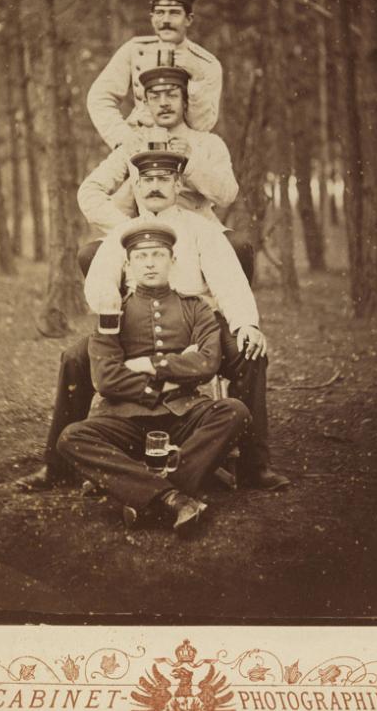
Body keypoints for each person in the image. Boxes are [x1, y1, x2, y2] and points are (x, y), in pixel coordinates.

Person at [18, 151, 289, 494]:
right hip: (135, 322)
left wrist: (246, 324)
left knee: (250, 352)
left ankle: (254, 464)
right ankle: (55, 465)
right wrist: (108, 301)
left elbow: (229, 282)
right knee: (74, 358)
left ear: (178, 184)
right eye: (147, 180)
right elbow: (100, 279)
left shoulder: (203, 230)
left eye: (163, 180)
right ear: (136, 185)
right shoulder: (124, 232)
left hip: (195, 319)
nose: (155, 187)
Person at [54, 223, 251, 535]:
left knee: (235, 411)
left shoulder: (196, 308)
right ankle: (174, 498)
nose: (149, 262)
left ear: (172, 261)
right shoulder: (112, 312)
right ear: (128, 265)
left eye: (158, 255)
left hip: (183, 413)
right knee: (70, 438)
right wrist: (170, 376)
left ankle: (141, 496)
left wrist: (150, 364)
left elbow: (207, 363)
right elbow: (105, 378)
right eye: (141, 256)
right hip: (126, 419)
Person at [78, 64, 253, 281]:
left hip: (200, 234)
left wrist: (192, 164)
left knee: (239, 247)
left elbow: (228, 194)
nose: (163, 103)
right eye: (154, 97)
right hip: (148, 236)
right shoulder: (134, 145)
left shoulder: (208, 143)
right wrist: (126, 226)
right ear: (146, 103)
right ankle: (122, 314)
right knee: (91, 255)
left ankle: (224, 315)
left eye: (172, 95)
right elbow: (89, 192)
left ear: (185, 100)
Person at [86, 0, 222, 150]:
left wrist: (196, 80)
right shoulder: (134, 50)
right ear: (151, 18)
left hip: (187, 150)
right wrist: (122, 138)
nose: (165, 20)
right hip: (140, 147)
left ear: (188, 19)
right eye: (159, 12)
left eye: (174, 13)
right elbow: (99, 97)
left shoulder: (207, 63)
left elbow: (203, 125)